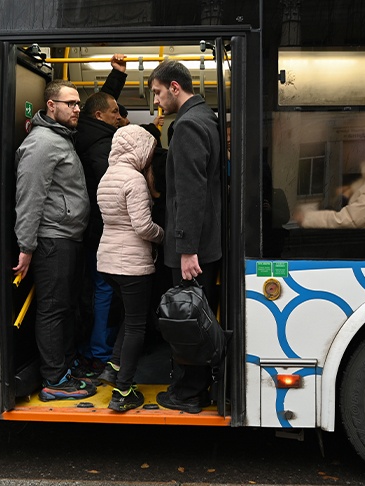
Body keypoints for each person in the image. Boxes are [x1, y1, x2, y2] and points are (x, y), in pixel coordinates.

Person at [12, 79, 96, 401]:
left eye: (78, 104)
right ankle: (54, 381)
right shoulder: (43, 142)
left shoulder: (59, 138)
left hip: (66, 237)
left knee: (66, 307)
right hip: (52, 240)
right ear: (51, 106)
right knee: (52, 309)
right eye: (70, 104)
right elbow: (30, 197)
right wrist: (26, 246)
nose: (77, 109)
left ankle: (65, 367)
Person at [148, 60, 222, 414]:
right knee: (197, 315)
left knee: (186, 317)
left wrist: (187, 248)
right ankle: (195, 387)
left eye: (158, 93)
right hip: (203, 242)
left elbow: (190, 193)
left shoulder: (189, 125)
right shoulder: (206, 117)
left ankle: (188, 393)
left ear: (175, 88)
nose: (158, 102)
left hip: (193, 247)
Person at [96, 124, 164, 412]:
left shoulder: (107, 176)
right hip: (132, 263)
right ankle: (123, 391)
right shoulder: (134, 180)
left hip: (108, 261)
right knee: (138, 325)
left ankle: (114, 366)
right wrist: (163, 236)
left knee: (130, 316)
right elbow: (142, 226)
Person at [74, 54, 127, 378]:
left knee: (98, 287)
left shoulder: (91, 131)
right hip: (101, 229)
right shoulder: (101, 149)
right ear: (100, 117)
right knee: (104, 288)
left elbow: (103, 102)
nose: (120, 116)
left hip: (92, 228)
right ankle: (98, 351)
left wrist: (117, 75)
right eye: (115, 113)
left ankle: (95, 346)